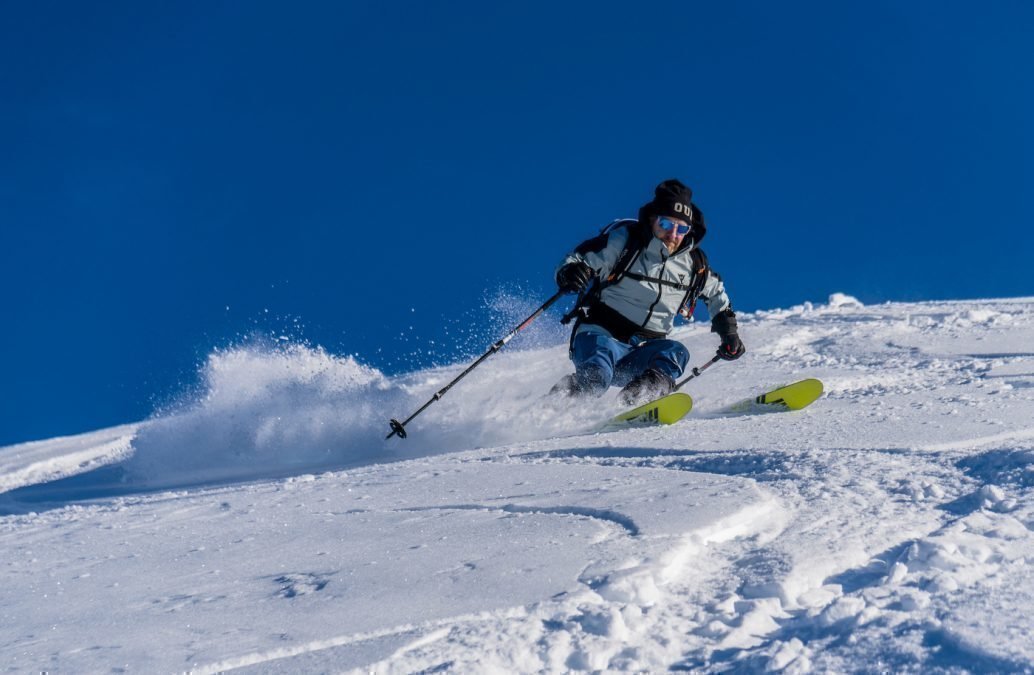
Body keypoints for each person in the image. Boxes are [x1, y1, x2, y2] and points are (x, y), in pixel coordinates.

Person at [553, 178, 745, 405]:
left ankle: (636, 401)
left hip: (642, 351)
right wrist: (572, 272)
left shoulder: (695, 264)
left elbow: (716, 294)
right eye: (666, 224)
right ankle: (551, 408)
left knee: (676, 352)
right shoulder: (627, 242)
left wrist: (729, 333)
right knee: (597, 378)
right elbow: (580, 258)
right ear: (653, 220)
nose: (673, 234)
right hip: (600, 336)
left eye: (681, 228)